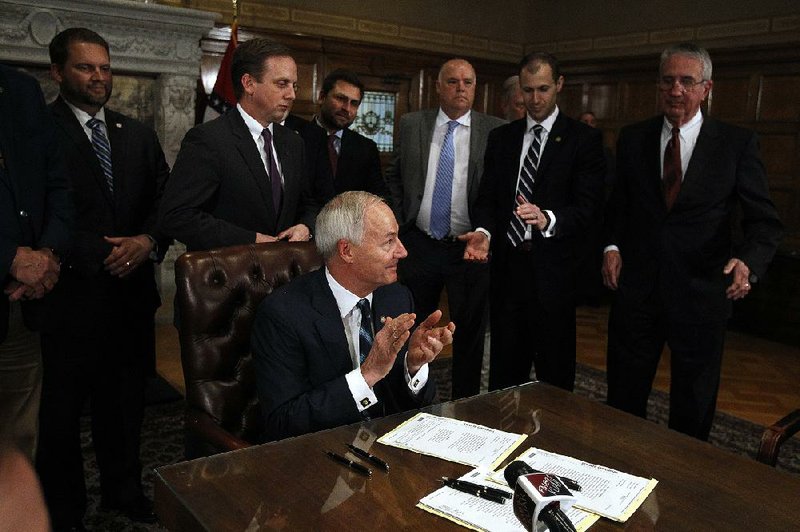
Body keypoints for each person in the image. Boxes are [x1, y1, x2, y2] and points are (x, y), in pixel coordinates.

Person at [602, 43, 782, 440]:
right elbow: (618, 207)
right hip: (638, 296)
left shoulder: (736, 144)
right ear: (659, 85)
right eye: (668, 81)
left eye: (687, 81)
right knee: (622, 405)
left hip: (701, 298)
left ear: (707, 88)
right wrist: (612, 247)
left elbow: (765, 223)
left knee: (692, 410)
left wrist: (748, 262)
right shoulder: (633, 138)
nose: (676, 90)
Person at [37, 28, 171, 529]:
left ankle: (124, 491)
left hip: (131, 300)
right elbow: (40, 212)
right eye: (85, 67)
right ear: (57, 72)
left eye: (105, 67)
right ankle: (66, 507)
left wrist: (148, 241)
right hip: (68, 299)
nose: (98, 76)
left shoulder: (135, 133)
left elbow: (165, 199)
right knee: (61, 414)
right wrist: (103, 252)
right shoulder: (39, 132)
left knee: (125, 405)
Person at [252, 191, 455, 441]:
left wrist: (412, 366)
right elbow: (282, 423)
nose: (402, 252)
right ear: (347, 251)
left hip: (387, 452)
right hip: (319, 458)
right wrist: (367, 374)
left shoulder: (397, 297)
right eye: (388, 242)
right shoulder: (282, 315)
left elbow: (407, 408)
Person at [465, 51, 606, 392]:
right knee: (503, 374)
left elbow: (588, 208)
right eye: (528, 91)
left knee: (554, 377)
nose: (535, 99)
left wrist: (548, 219)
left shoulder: (583, 140)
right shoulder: (502, 138)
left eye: (543, 89)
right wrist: (484, 233)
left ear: (559, 85)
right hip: (507, 272)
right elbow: (487, 199)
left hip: (554, 275)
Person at [385, 58, 504, 399]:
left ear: (476, 87)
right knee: (411, 324)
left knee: (468, 331)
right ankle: (408, 393)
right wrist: (398, 220)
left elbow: (498, 191)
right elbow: (394, 172)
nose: (461, 88)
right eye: (452, 81)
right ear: (438, 86)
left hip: (468, 249)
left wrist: (485, 231)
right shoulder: (412, 124)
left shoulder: (494, 130)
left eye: (468, 82)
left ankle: (465, 401)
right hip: (418, 243)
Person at [160, 39, 316, 251]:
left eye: (293, 85)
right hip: (227, 275)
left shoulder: (293, 142)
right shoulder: (208, 140)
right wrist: (251, 239)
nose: (292, 95)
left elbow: (308, 204)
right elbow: (177, 215)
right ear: (249, 83)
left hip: (283, 276)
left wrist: (306, 226)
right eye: (282, 84)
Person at [0, 64, 72, 463]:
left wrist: (47, 255)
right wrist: (9, 258)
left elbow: (56, 184)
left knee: (18, 441)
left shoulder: (21, 90)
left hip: (18, 308)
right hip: (13, 274)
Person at [287, 69, 387, 204]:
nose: (347, 108)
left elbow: (378, 196)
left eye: (354, 103)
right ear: (322, 97)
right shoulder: (294, 136)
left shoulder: (366, 149)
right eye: (341, 98)